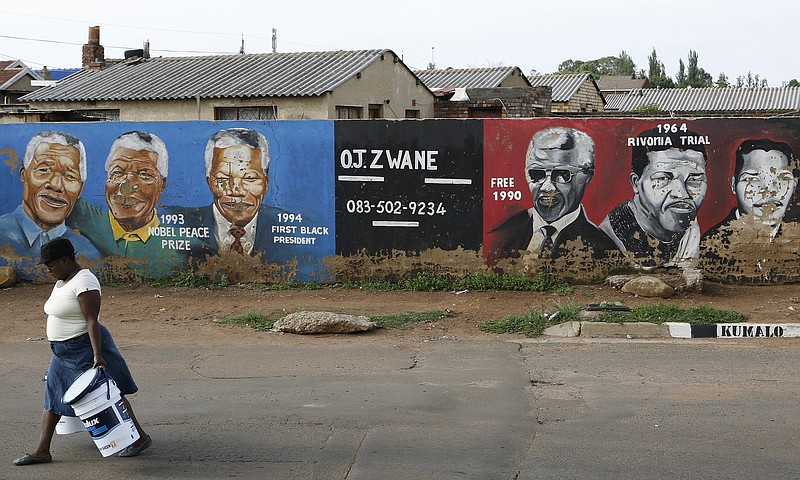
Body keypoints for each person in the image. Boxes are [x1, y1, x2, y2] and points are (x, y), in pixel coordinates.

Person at [12, 237, 151, 466]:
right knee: (53, 397)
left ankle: (139, 438)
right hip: (61, 351)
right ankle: (42, 451)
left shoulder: (85, 281)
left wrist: (98, 355)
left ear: (66, 259)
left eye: (51, 265)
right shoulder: (62, 280)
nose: (49, 270)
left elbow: (92, 321)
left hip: (82, 347)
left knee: (107, 394)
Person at [67, 131, 191, 277]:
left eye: (145, 174)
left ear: (162, 184)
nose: (126, 186)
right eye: (118, 172)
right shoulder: (85, 219)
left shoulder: (186, 251)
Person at [488, 126, 618, 261]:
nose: (547, 187)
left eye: (562, 174)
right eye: (536, 174)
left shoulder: (602, 250)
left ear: (586, 177)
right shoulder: (501, 234)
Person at [180, 128, 296, 264]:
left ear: (266, 183)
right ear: (209, 182)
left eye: (250, 178)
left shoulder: (292, 229)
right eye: (223, 178)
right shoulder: (179, 226)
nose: (236, 191)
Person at [599, 127, 708, 268]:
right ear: (636, 183)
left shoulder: (691, 227)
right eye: (663, 178)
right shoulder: (609, 238)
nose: (682, 194)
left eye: (695, 180)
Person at [0, 131, 101, 279]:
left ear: (80, 188)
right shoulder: (3, 233)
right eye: (44, 170)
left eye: (70, 176)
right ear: (23, 174)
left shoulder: (88, 252)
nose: (56, 185)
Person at [704, 139, 798, 239]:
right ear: (733, 185)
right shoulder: (709, 245)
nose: (768, 190)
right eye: (752, 179)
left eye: (782, 178)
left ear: (794, 186)